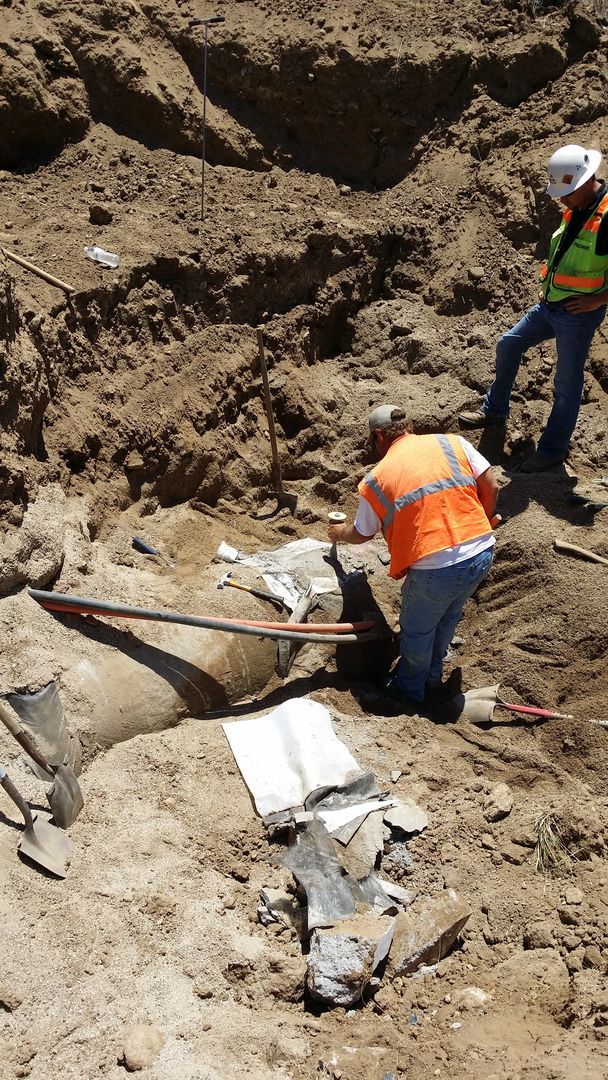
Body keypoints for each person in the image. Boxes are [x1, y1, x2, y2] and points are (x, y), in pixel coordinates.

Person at [328, 405, 499, 707]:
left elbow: (363, 532)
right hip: (481, 552)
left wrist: (340, 533)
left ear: (379, 436)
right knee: (447, 619)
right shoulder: (452, 442)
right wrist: (480, 523)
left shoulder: (376, 479)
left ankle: (409, 694)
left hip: (436, 569)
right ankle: (431, 681)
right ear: (410, 425)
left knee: (417, 633)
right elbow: (491, 485)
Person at [459, 144, 608, 472]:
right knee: (508, 344)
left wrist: (597, 300)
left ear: (585, 182)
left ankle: (552, 450)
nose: (561, 200)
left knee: (566, 385)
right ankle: (495, 410)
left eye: (566, 193)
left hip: (578, 315)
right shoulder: (578, 206)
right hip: (551, 304)